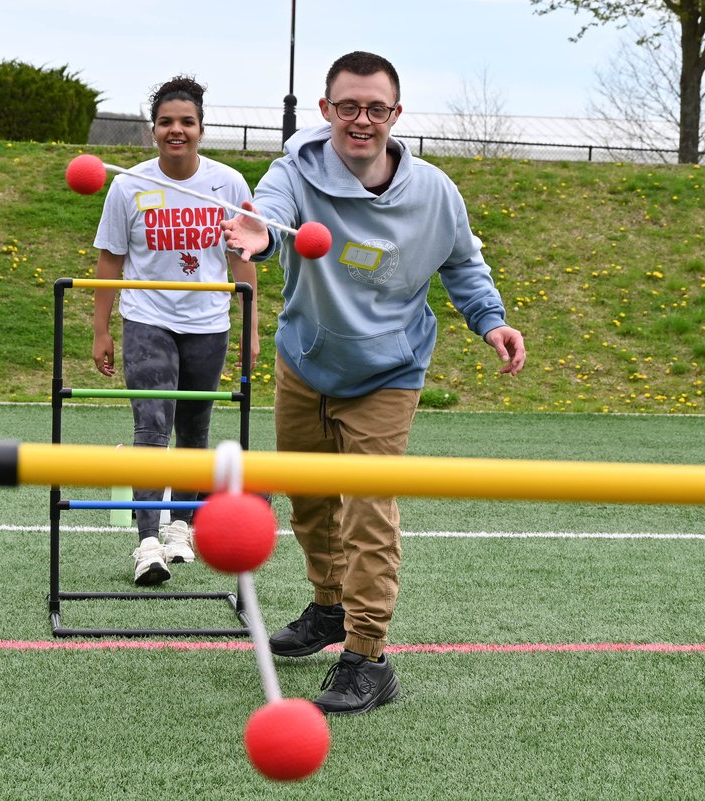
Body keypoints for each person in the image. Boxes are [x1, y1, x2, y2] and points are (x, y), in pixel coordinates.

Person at [220, 51, 526, 715]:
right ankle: (328, 607)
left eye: (376, 108)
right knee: (308, 502)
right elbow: (268, 217)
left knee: (366, 509)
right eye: (348, 107)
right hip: (305, 360)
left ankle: (366, 655)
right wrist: (256, 235)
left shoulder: (434, 194)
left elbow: (463, 266)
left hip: (388, 373)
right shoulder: (295, 172)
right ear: (327, 110)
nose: (362, 120)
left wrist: (492, 322)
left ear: (395, 114)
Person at [92, 75, 258, 586]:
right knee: (150, 428)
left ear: (202, 128)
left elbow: (242, 258)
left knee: (194, 429)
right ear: (154, 129)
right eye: (166, 122)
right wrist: (101, 327)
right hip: (147, 319)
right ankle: (147, 544)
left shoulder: (228, 184)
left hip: (208, 323)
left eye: (186, 121)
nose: (176, 130)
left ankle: (181, 527)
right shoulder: (128, 183)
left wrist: (251, 329)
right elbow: (110, 258)